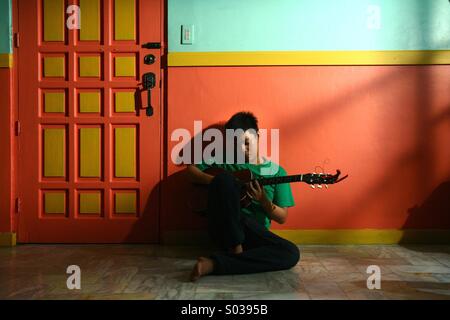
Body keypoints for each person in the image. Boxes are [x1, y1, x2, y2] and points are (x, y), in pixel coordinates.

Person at [185, 111, 300, 281]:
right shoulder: (223, 161)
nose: (241, 149)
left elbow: (282, 217)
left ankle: (215, 264)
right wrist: (219, 182)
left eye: (246, 143)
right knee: (224, 178)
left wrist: (263, 200)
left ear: (258, 136)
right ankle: (235, 248)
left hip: (254, 233)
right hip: (223, 228)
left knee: (291, 253)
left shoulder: (277, 172)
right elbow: (190, 171)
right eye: (235, 143)